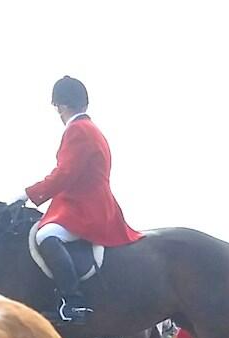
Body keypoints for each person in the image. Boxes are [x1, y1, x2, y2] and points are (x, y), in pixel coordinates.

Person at [24, 76, 144, 323]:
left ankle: (73, 301)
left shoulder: (77, 130)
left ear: (62, 106)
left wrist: (29, 194)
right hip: (89, 202)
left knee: (45, 235)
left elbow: (65, 174)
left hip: (86, 207)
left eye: (57, 107)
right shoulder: (91, 129)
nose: (58, 113)